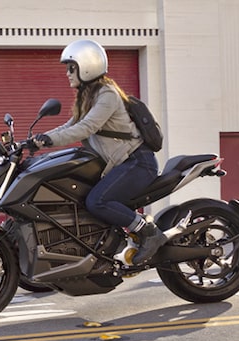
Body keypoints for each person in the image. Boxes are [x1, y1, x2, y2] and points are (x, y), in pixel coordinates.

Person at [28, 39, 164, 267]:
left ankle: (149, 231)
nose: (68, 73)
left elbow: (86, 128)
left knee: (97, 201)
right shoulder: (88, 97)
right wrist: (35, 141)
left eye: (71, 68)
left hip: (137, 162)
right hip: (122, 164)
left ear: (87, 66)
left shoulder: (107, 95)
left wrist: (49, 140)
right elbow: (69, 126)